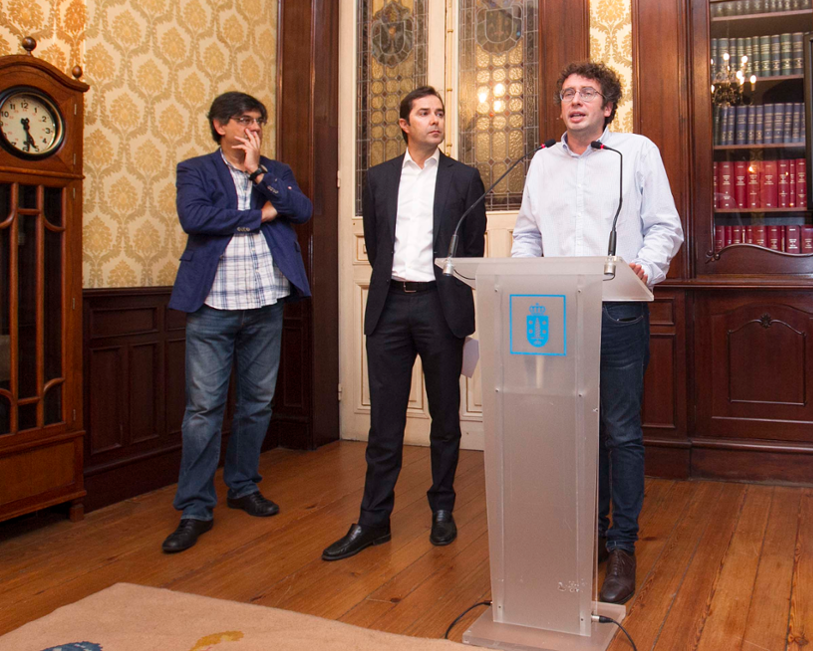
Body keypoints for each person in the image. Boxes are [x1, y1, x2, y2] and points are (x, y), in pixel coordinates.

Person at [510, 61, 683, 604]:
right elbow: (528, 234)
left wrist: (645, 267)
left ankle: (622, 545)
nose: (575, 100)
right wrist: (522, 278)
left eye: (587, 93)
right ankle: (582, 534)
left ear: (607, 107)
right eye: (567, 93)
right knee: (570, 431)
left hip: (617, 311)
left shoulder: (637, 152)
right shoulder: (542, 162)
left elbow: (665, 226)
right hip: (555, 315)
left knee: (619, 431)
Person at [322, 86, 486, 562]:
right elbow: (377, 245)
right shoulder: (378, 177)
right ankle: (373, 519)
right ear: (404, 124)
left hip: (441, 307)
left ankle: (442, 508)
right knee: (384, 422)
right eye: (424, 113)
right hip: (390, 306)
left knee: (445, 417)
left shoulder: (464, 178)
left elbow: (472, 247)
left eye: (440, 113)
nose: (435, 120)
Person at [163, 92, 313, 553]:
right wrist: (261, 214)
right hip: (213, 307)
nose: (254, 129)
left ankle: (243, 486)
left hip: (266, 303)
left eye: (259, 121)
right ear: (219, 126)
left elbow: (302, 210)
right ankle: (195, 507)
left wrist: (256, 173)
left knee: (257, 405)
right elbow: (196, 218)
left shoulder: (275, 171)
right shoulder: (195, 170)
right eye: (245, 120)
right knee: (203, 410)